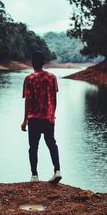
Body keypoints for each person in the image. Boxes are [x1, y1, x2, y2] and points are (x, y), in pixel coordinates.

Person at [21, 51, 62, 184]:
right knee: (51, 143)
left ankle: (34, 175)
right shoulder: (52, 77)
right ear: (43, 63)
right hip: (48, 118)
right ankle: (57, 171)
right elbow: (54, 99)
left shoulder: (29, 79)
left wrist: (25, 120)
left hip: (34, 118)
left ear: (33, 64)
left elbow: (28, 100)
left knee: (33, 146)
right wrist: (52, 114)